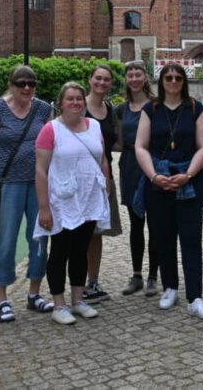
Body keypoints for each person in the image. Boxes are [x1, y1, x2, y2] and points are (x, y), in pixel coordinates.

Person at [134, 63, 203, 320]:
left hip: (188, 182)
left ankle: (195, 297)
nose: (173, 81)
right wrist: (154, 176)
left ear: (184, 81)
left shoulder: (195, 108)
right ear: (162, 81)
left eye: (177, 77)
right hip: (158, 183)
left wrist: (189, 174)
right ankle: (170, 287)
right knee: (163, 238)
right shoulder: (151, 109)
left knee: (191, 240)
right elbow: (140, 146)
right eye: (168, 77)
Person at [0, 64, 55, 323]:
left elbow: (51, 142)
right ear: (11, 84)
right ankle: (2, 298)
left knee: (39, 238)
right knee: (6, 239)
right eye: (21, 83)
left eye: (31, 83)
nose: (26, 88)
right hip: (9, 184)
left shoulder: (43, 108)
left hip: (37, 183)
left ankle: (34, 293)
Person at [33, 82, 110, 325]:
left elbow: (103, 159)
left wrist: (106, 187)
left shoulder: (94, 126)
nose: (76, 102)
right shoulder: (50, 129)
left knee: (80, 251)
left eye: (79, 98)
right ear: (61, 103)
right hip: (62, 202)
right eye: (70, 99)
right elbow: (41, 170)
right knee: (59, 252)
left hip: (88, 200)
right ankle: (59, 304)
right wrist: (44, 207)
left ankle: (78, 300)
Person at [114, 60, 159, 296]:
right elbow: (118, 142)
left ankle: (153, 275)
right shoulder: (121, 109)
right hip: (130, 166)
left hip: (152, 165)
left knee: (155, 223)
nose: (133, 78)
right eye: (130, 74)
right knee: (136, 224)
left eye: (137, 74)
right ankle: (137, 275)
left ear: (145, 77)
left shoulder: (156, 105)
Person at [82, 64, 123, 304]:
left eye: (106, 79)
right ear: (90, 80)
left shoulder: (110, 109)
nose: (102, 83)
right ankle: (76, 282)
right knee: (77, 232)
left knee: (96, 233)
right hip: (79, 178)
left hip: (103, 177)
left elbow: (116, 143)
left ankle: (92, 281)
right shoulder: (78, 105)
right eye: (98, 78)